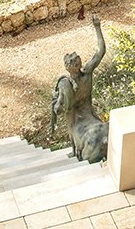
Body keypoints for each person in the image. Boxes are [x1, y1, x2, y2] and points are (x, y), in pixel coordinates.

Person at [50, 15, 108, 163]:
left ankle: (76, 152)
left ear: (67, 68)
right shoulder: (87, 73)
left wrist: (56, 101)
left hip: (78, 122)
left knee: (74, 129)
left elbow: (59, 109)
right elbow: (101, 51)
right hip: (90, 116)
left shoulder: (66, 85)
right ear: (78, 63)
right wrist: (97, 27)